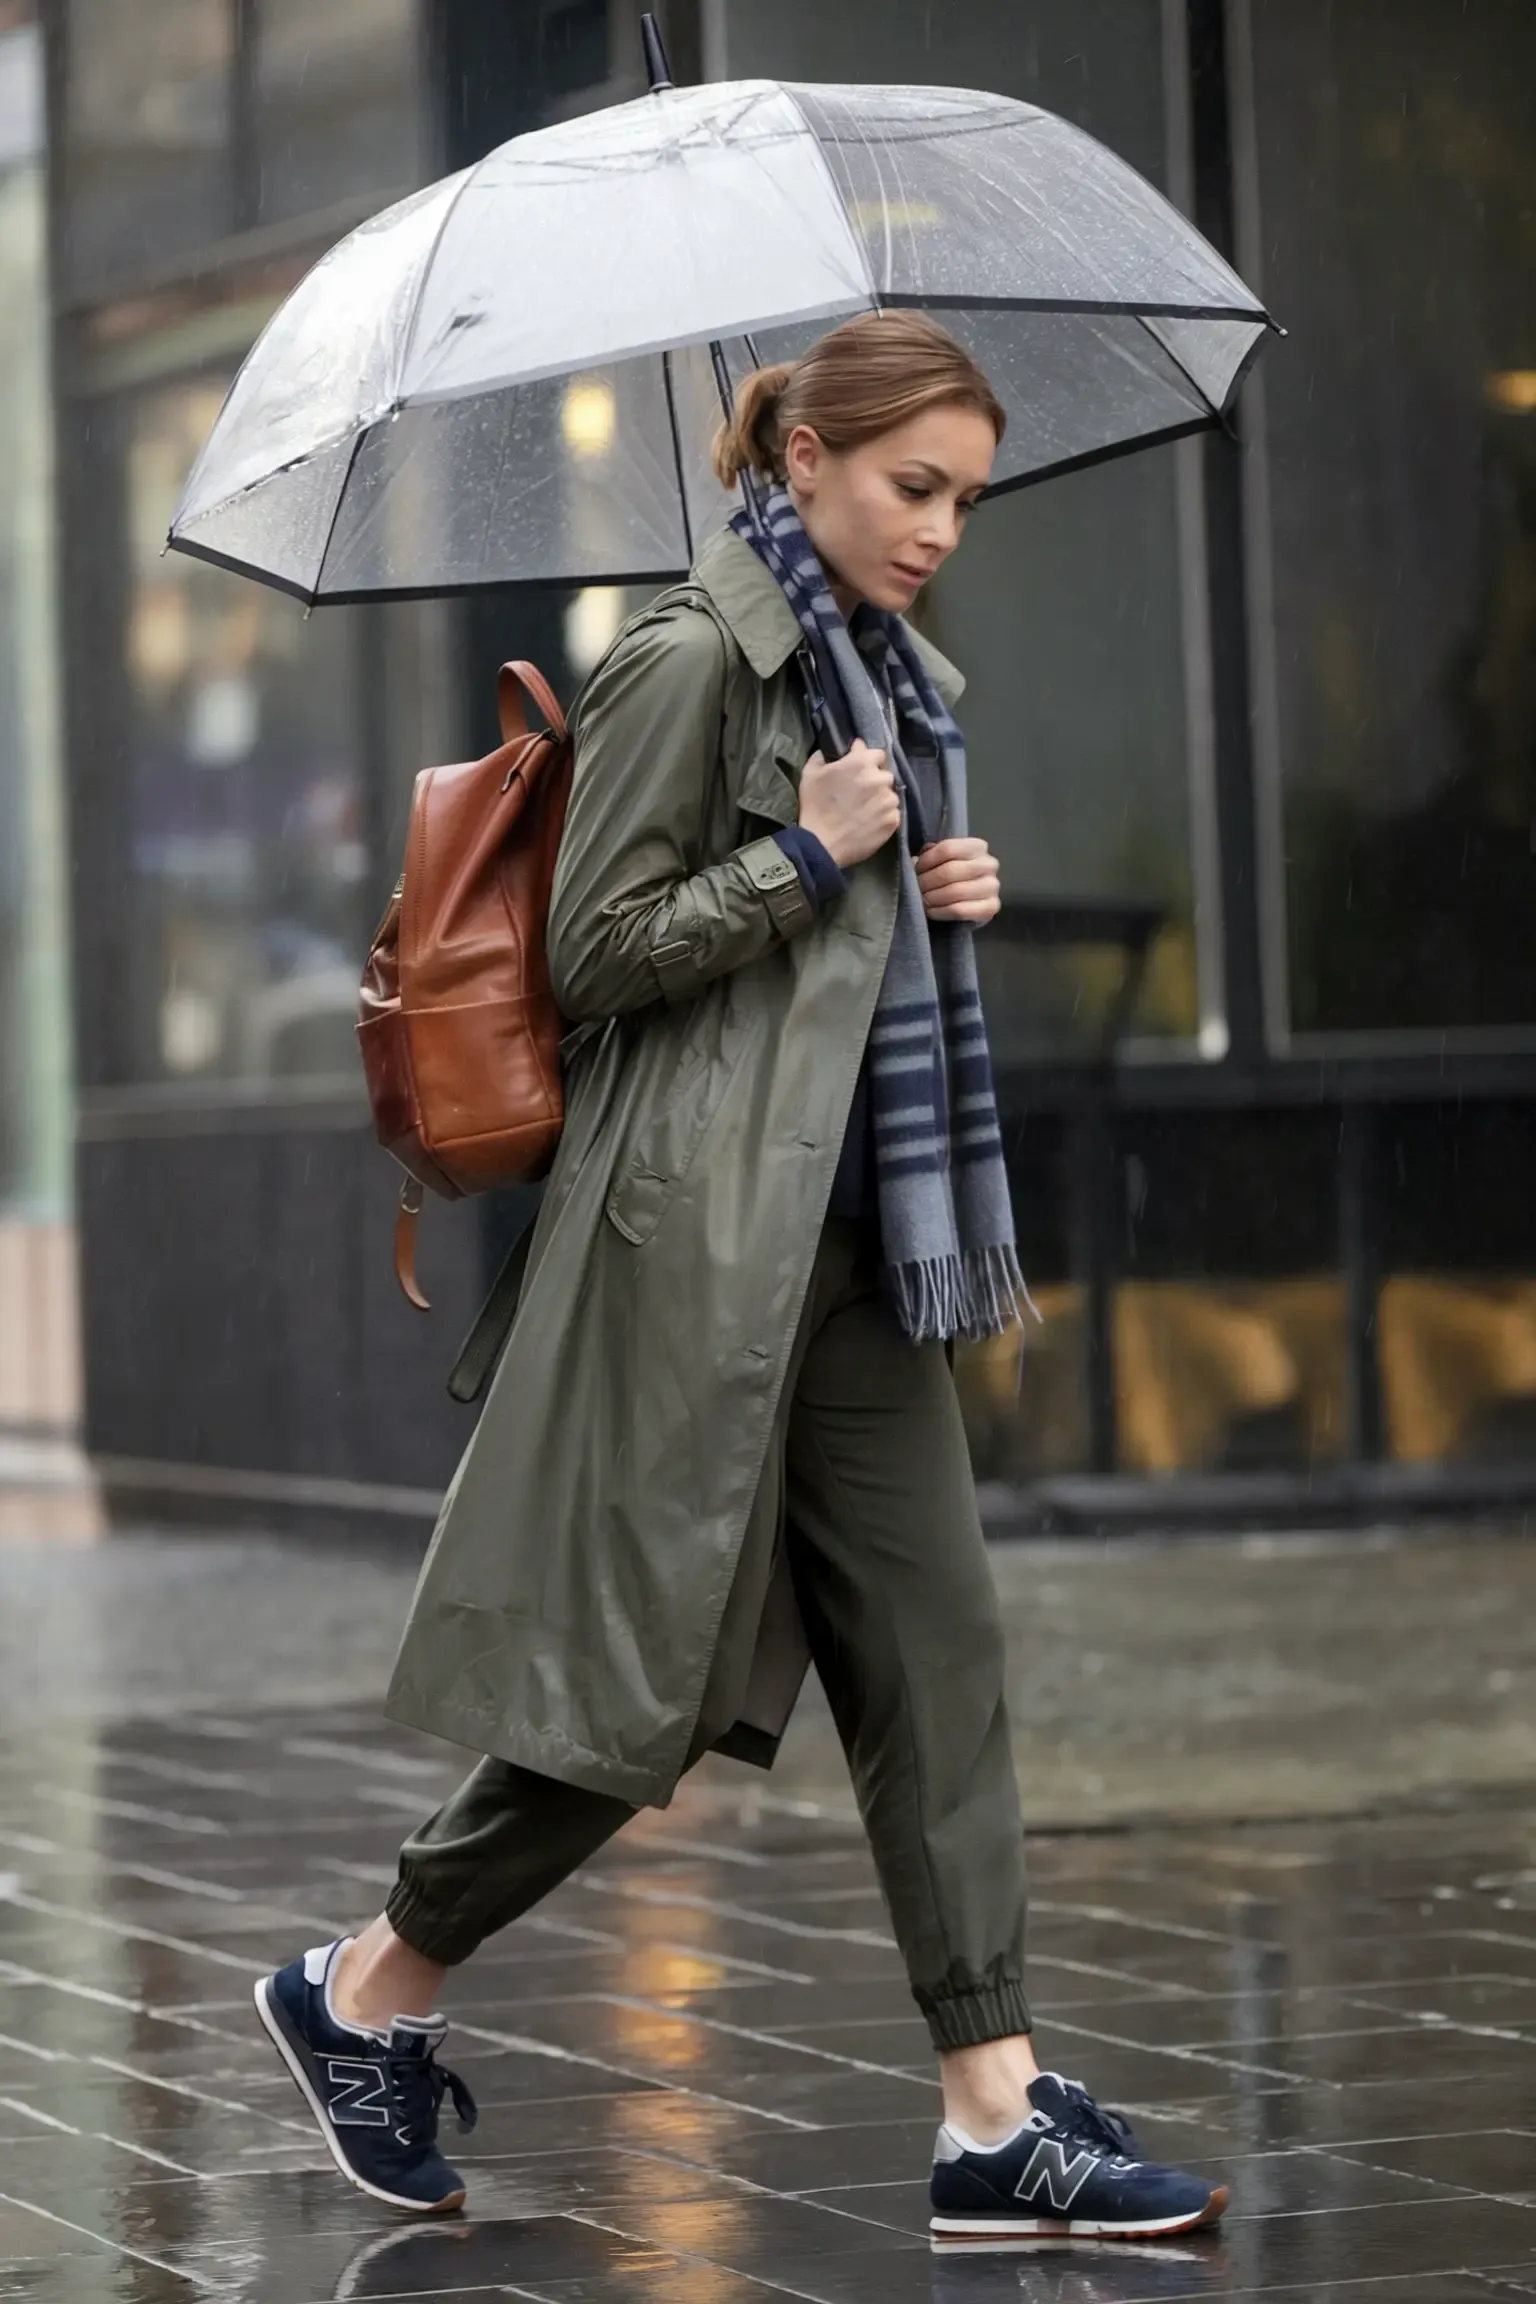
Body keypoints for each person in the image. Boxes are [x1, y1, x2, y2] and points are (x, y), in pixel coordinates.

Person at [254, 312, 1228, 2243]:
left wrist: (922, 883)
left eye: (964, 495)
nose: (944, 526)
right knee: (640, 1705)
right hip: (703, 1267)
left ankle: (991, 2111)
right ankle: (365, 1984)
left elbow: (826, 974)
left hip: (860, 1260)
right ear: (803, 464)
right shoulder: (688, 659)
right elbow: (593, 960)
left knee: (934, 1660)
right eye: (911, 485)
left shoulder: (881, 675)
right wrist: (809, 856)